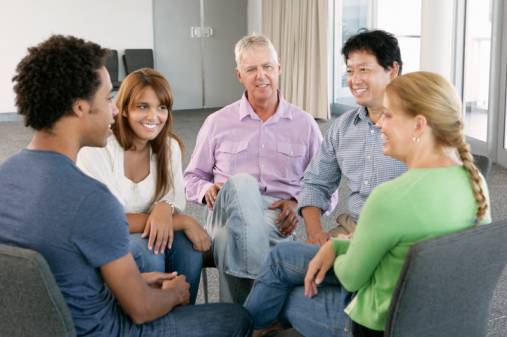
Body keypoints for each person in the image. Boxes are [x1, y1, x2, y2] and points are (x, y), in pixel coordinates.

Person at [0, 35, 251, 337]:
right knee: (237, 318)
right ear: (81, 107)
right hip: (109, 330)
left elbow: (61, 268)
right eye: (108, 99)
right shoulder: (92, 198)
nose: (114, 110)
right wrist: (176, 293)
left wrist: (144, 280)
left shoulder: (7, 174)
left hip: (45, 323)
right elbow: (141, 309)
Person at [244, 71, 491, 337]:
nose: (380, 124)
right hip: (434, 315)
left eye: (389, 115)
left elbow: (352, 278)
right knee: (282, 259)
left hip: (375, 324)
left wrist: (337, 249)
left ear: (419, 125)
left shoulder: (391, 197)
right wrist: (338, 245)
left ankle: (247, 329)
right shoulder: (474, 181)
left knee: (284, 294)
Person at [184, 33, 323, 303]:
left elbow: (326, 185)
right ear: (239, 75)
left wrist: (296, 203)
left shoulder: (305, 124)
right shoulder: (217, 122)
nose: (261, 75)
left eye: (267, 67)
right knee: (242, 184)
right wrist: (207, 189)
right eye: (251, 69)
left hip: (276, 220)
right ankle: (265, 295)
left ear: (279, 69)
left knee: (226, 241)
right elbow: (191, 178)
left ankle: (241, 321)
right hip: (225, 210)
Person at [77, 68, 210, 304]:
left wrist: (164, 207)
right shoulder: (97, 149)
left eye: (162, 107)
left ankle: (183, 315)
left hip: (144, 233)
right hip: (108, 239)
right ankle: (151, 320)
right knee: (148, 248)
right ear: (125, 109)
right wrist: (182, 220)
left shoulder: (169, 148)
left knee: (188, 247)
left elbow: (174, 199)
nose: (154, 116)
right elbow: (107, 220)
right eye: (143, 106)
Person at [299, 30, 407, 245]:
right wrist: (315, 233)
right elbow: (315, 183)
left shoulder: (416, 125)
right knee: (287, 263)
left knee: (284, 264)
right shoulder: (343, 127)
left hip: (400, 236)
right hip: (353, 228)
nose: (354, 80)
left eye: (364, 70)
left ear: (392, 70)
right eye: (350, 71)